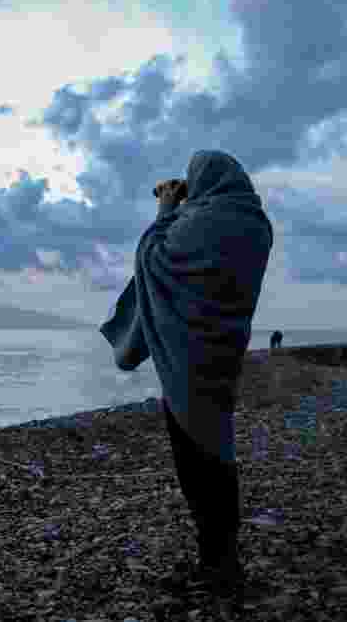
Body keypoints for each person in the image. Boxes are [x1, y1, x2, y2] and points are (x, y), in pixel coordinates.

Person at [99, 150, 274, 599]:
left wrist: (165, 207)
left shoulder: (197, 222)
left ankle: (219, 564)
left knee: (197, 460)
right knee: (218, 447)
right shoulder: (256, 224)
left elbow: (152, 256)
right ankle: (223, 556)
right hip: (225, 351)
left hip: (187, 359)